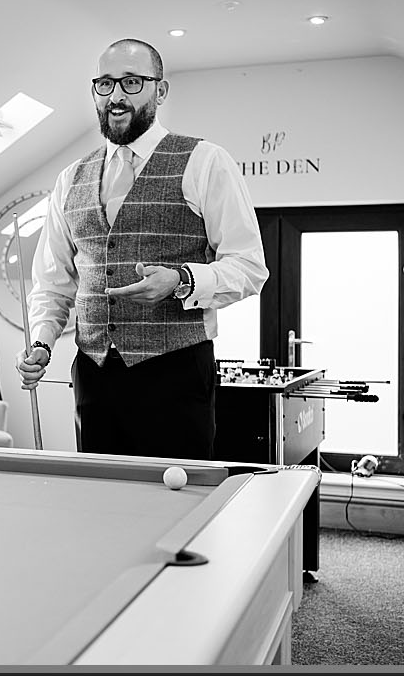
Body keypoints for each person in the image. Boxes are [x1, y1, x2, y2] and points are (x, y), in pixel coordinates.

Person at [16, 38, 268, 460]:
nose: (116, 96)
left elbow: (249, 266)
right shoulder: (69, 178)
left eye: (132, 82)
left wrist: (183, 280)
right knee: (103, 501)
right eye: (106, 83)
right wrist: (42, 342)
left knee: (182, 503)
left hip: (176, 371)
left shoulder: (206, 161)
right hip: (94, 375)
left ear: (160, 91)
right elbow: (53, 284)